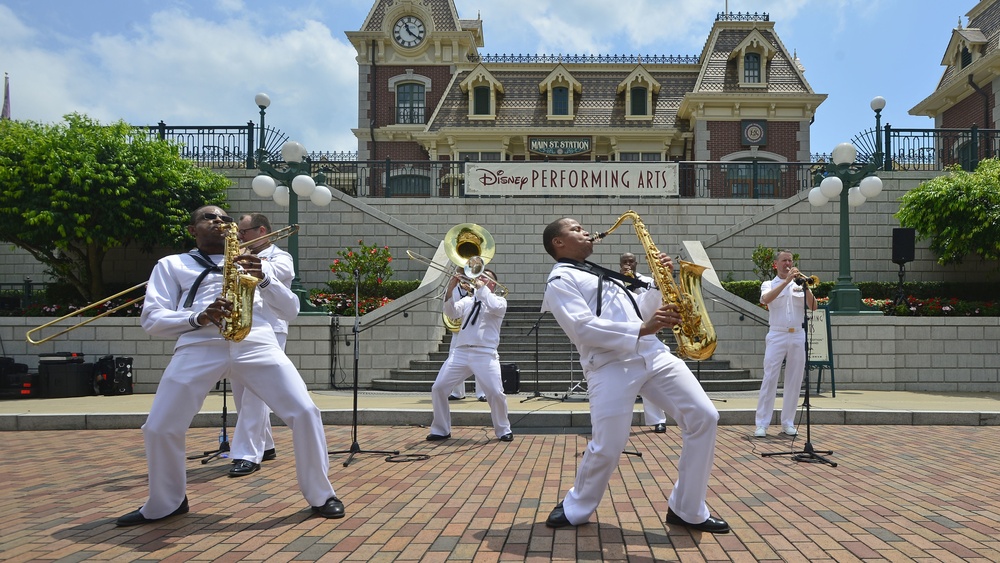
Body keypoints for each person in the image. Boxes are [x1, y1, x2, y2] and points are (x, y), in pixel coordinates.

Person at [116, 205, 344, 526]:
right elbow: (152, 318)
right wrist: (198, 315)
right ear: (192, 230)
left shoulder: (256, 261)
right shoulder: (171, 264)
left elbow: (291, 310)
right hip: (199, 344)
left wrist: (263, 278)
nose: (219, 222)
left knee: (305, 412)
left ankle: (322, 495)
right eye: (209, 218)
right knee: (159, 426)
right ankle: (166, 502)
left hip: (255, 341)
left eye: (225, 218)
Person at [540, 217, 728, 533]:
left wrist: (658, 282)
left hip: (652, 353)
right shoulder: (560, 280)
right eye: (575, 229)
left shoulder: (600, 273)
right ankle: (577, 505)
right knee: (609, 444)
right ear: (558, 243)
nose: (585, 231)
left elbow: (640, 311)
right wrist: (643, 327)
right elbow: (582, 328)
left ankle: (687, 508)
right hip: (610, 364)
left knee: (704, 416)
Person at [227, 213, 293, 477]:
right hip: (241, 327)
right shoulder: (240, 253)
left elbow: (277, 274)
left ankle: (246, 454)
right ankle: (265, 445)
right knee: (241, 394)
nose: (241, 237)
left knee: (256, 394)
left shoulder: (280, 256)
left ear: (261, 230)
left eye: (244, 232)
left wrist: (247, 260)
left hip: (270, 328)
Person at [427, 268, 513, 442]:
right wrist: (450, 288)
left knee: (496, 393)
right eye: (479, 276)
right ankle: (441, 429)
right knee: (438, 388)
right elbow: (451, 312)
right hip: (461, 351)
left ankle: (503, 429)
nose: (479, 278)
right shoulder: (467, 300)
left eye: (484, 277)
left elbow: (493, 306)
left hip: (485, 353)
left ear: (493, 284)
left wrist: (482, 290)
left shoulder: (498, 301)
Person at [754, 249, 818, 438]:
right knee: (770, 378)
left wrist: (806, 287)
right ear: (776, 264)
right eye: (784, 260)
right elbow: (766, 300)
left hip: (798, 334)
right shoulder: (769, 284)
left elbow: (814, 307)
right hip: (777, 334)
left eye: (790, 260)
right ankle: (762, 424)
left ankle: (788, 422)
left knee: (795, 379)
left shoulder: (800, 284)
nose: (788, 263)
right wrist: (786, 282)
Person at [620, 252, 668, 434]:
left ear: (636, 263)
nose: (628, 264)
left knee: (652, 378)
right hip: (624, 334)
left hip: (646, 333)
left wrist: (634, 285)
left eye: (631, 261)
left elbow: (652, 302)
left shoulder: (646, 280)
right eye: (625, 261)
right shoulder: (611, 279)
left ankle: (658, 420)